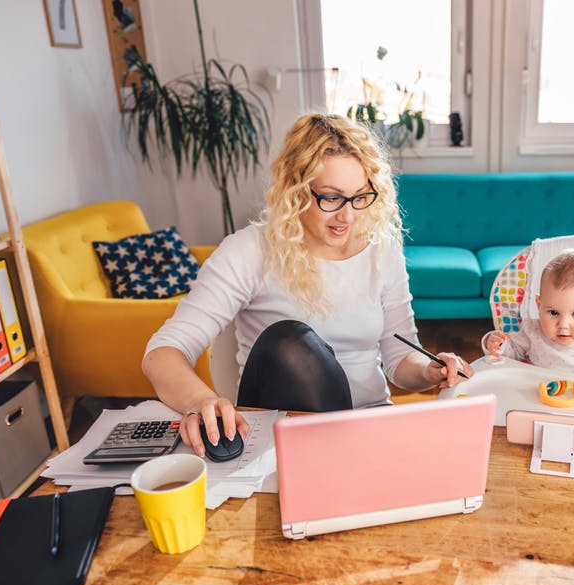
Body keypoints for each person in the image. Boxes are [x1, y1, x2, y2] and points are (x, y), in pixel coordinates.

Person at [143, 113, 472, 457]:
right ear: (296, 190)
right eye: (331, 198)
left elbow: (400, 359)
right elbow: (163, 352)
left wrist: (429, 369)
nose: (348, 216)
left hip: (369, 429)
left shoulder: (382, 250)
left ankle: (352, 460)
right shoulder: (249, 251)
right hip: (284, 436)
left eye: (361, 196)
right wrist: (200, 400)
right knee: (291, 342)